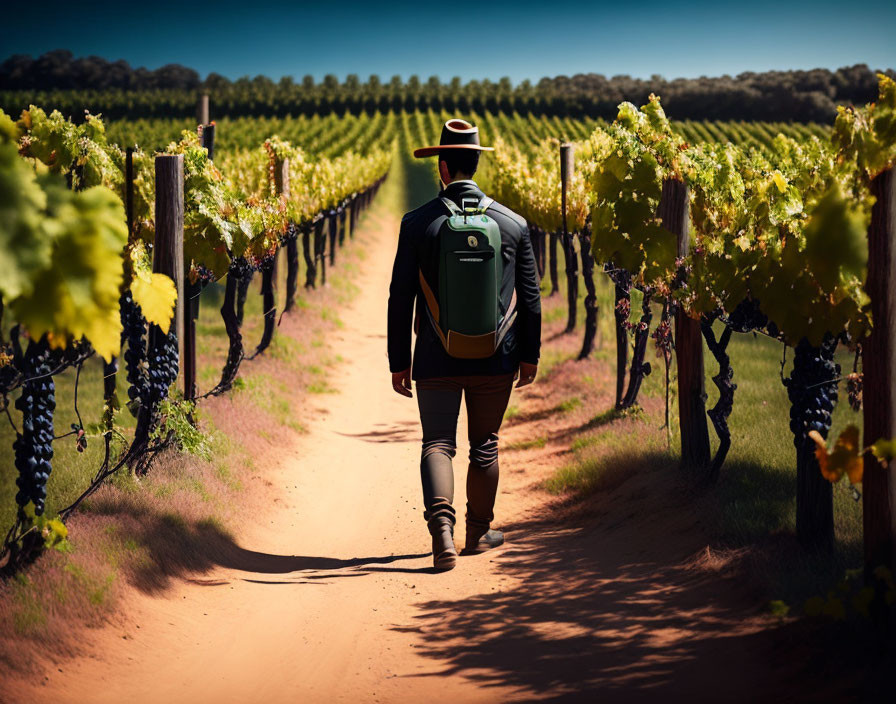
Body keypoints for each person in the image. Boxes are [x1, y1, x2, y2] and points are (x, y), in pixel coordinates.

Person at [387, 119, 542, 571]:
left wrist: (400, 360)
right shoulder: (513, 225)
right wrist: (529, 355)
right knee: (485, 445)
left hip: (435, 357)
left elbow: (400, 296)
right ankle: (478, 532)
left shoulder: (417, 223)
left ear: (443, 166)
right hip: (497, 357)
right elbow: (530, 298)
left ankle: (442, 536)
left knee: (437, 443)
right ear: (476, 163)